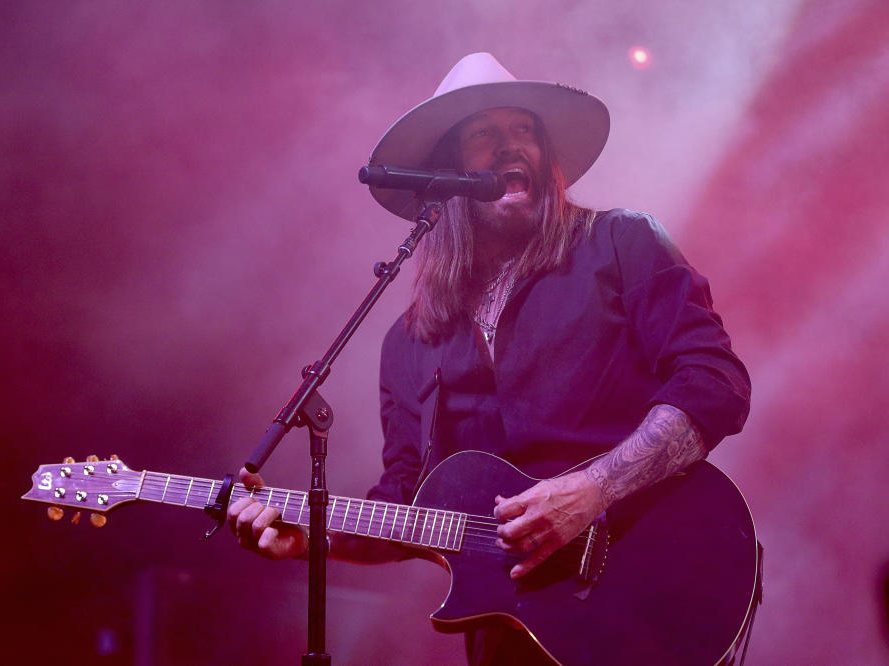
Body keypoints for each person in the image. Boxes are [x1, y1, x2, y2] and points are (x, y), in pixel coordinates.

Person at [228, 53, 751, 664]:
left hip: (652, 596)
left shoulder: (620, 243)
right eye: (484, 134)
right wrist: (311, 539)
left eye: (524, 130)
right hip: (512, 634)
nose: (511, 147)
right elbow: (407, 505)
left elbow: (715, 383)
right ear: (447, 171)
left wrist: (594, 489)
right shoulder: (412, 341)